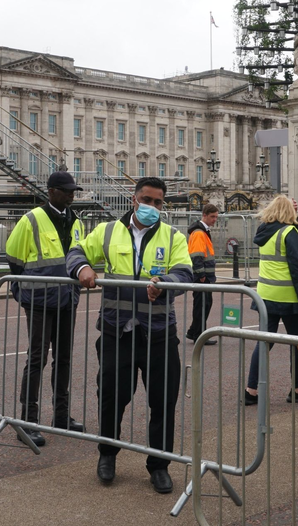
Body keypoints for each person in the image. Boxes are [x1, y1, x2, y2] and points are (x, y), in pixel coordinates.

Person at [66, 177, 193, 495]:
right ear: (134, 200)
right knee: (110, 397)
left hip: (160, 334)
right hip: (116, 331)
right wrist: (82, 268)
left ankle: (159, 465)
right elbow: (77, 251)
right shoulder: (108, 231)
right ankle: (107, 455)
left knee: (163, 402)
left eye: (159, 202)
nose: (153, 207)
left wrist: (165, 280)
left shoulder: (173, 236)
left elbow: (185, 273)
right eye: (147, 200)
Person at [5, 171, 86, 447]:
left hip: (66, 299)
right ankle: (28, 421)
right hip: (39, 300)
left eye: (73, 190)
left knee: (63, 358)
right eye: (66, 190)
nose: (71, 195)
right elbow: (14, 257)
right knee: (37, 358)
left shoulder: (76, 222)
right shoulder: (32, 220)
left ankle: (61, 416)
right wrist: (22, 288)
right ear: (51, 191)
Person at [245, 195, 298, 406]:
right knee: (297, 342)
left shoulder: (264, 231)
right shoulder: (289, 232)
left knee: (265, 342)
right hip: (287, 296)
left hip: (265, 293)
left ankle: (251, 390)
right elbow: (297, 267)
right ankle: (296, 388)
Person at [186, 204, 219, 345]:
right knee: (202, 306)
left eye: (216, 217)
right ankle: (198, 335)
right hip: (202, 277)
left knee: (203, 305)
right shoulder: (199, 233)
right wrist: (201, 275)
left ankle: (194, 332)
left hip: (204, 277)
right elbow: (196, 256)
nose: (214, 220)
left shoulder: (201, 231)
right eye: (212, 217)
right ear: (204, 215)